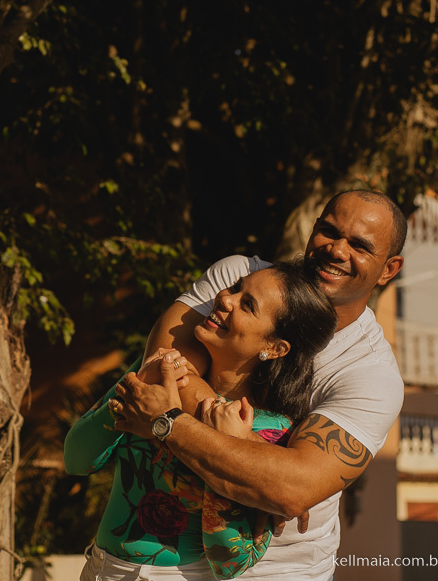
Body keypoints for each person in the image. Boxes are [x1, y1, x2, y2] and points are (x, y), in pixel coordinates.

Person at [111, 189, 406, 580]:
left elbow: (290, 490)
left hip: (278, 569)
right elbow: (162, 366)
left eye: (360, 246)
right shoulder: (239, 278)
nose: (336, 250)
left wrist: (166, 422)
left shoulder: (371, 372)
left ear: (389, 269)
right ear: (313, 228)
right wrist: (260, 460)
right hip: (160, 560)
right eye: (329, 231)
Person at [64, 260, 338, 580]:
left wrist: (230, 447)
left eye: (246, 305)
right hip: (98, 569)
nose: (225, 298)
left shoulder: (270, 433)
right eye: (236, 287)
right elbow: (75, 459)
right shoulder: (162, 370)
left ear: (274, 348)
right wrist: (130, 397)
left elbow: (230, 563)